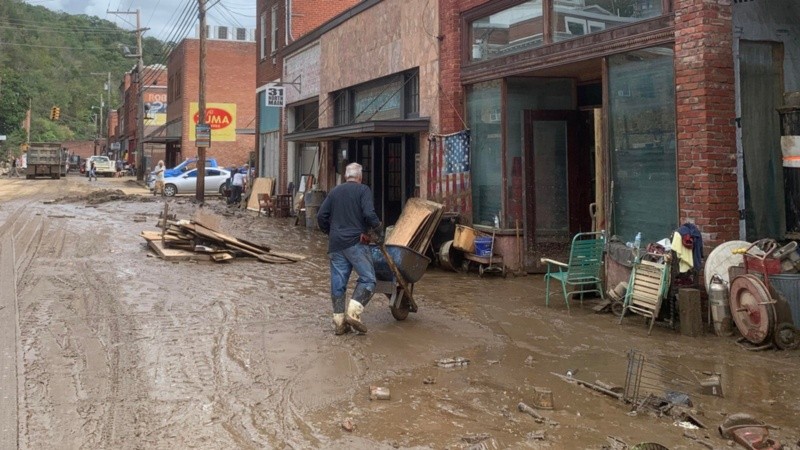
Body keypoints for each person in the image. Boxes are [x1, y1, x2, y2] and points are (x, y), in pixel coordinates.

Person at [317, 162, 383, 335]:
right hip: (356, 242)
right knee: (368, 279)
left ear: (346, 176)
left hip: (336, 244)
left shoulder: (334, 191)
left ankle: (339, 321)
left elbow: (321, 216)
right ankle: (353, 314)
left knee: (338, 283)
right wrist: (378, 229)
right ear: (360, 177)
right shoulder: (363, 190)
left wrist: (329, 232)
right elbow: (369, 214)